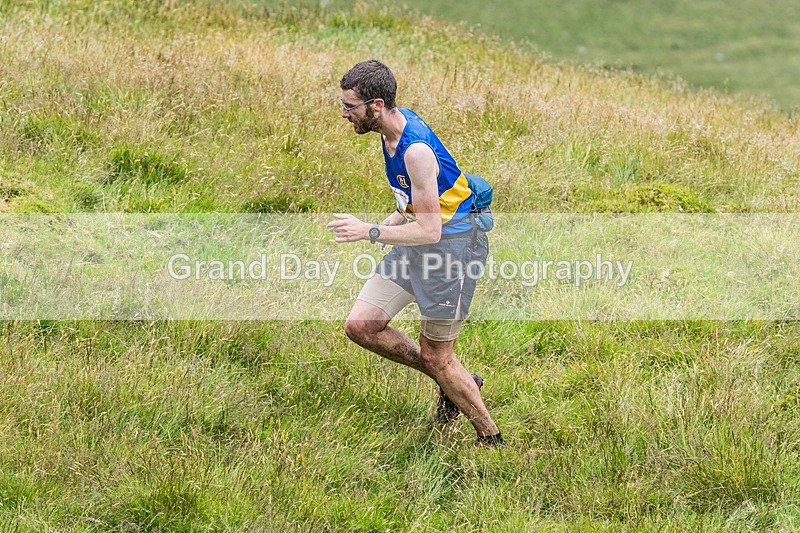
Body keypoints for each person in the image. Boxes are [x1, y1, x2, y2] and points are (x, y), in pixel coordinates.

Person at [328, 60, 505, 447]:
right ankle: (457, 381)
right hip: (416, 246)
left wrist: (370, 232)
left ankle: (492, 441)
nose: (343, 114)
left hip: (451, 251)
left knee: (439, 357)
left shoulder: (416, 152)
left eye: (349, 107)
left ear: (376, 105)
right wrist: (386, 225)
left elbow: (430, 229)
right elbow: (412, 203)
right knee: (361, 326)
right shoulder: (388, 129)